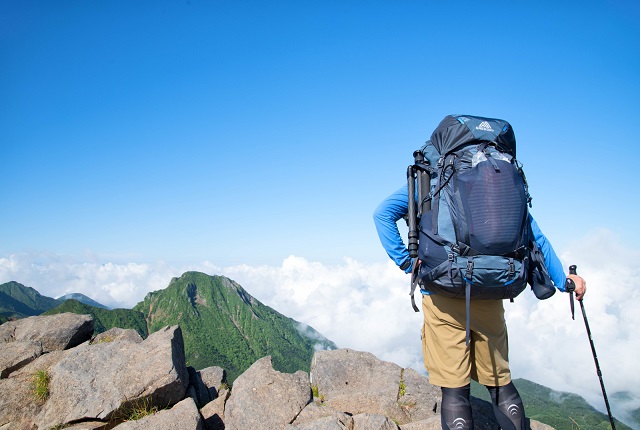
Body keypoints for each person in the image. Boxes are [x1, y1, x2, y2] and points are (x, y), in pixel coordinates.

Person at [373, 180, 586, 429]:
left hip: (442, 292)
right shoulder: (499, 184)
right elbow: (534, 235)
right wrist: (564, 281)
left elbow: (382, 214)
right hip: (490, 290)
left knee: (454, 388)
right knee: (499, 381)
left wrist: (407, 262)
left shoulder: (431, 179)